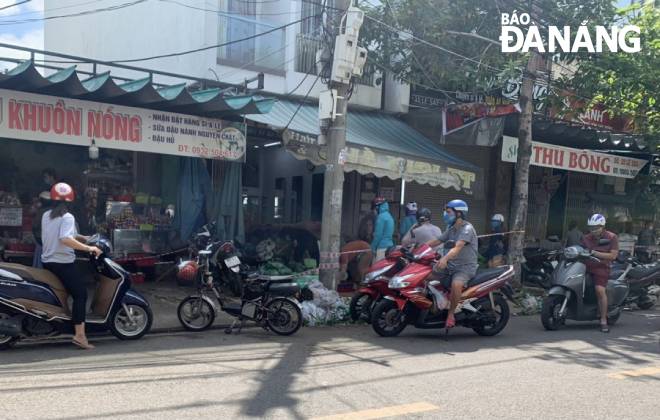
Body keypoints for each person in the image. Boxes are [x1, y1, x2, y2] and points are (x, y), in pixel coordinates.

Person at [41, 183, 102, 350]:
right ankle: (80, 335)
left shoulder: (46, 215)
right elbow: (65, 239)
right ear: (71, 201)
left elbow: (68, 235)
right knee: (80, 295)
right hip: (63, 264)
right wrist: (89, 248)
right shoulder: (68, 217)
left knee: (65, 293)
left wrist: (85, 238)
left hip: (48, 262)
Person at [427, 199, 478, 330]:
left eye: (448, 212)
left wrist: (444, 259)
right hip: (451, 265)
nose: (445, 214)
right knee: (426, 275)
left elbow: (457, 247)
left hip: (465, 267)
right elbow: (437, 241)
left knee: (456, 284)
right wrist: (418, 248)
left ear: (459, 214)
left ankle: (451, 315)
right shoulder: (451, 229)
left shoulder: (467, 229)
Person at [580, 214, 619, 333]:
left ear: (603, 226)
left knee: (599, 290)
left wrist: (595, 253)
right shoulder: (585, 237)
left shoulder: (612, 237)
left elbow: (613, 255)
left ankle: (603, 320)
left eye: (596, 227)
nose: (594, 230)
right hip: (584, 266)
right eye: (591, 228)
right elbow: (579, 249)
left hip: (601, 267)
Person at [32, 191, 53, 268]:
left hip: (41, 241)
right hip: (50, 242)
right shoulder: (53, 211)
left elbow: (35, 226)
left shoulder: (41, 212)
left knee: (39, 264)